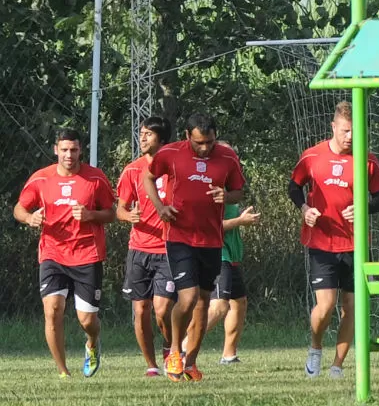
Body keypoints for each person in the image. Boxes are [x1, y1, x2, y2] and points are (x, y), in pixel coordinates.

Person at [289, 101, 379, 379]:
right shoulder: (312, 156)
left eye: (354, 132)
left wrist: (364, 208)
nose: (350, 137)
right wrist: (305, 209)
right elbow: (294, 187)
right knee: (325, 306)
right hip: (321, 242)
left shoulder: (367, 160)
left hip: (355, 245)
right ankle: (315, 347)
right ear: (333, 127)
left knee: (351, 307)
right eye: (345, 131)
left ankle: (337, 365)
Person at [144, 113, 245, 382]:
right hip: (179, 237)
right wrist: (160, 207)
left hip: (212, 240)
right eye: (199, 142)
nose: (205, 148)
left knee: (202, 303)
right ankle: (174, 352)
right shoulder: (171, 153)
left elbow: (238, 191)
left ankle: (191, 363)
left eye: (209, 142)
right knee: (186, 299)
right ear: (187, 136)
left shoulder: (227, 157)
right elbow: (148, 178)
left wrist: (227, 195)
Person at [13, 128, 115, 378]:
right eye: (65, 150)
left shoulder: (95, 179)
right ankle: (63, 373)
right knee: (53, 310)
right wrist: (29, 218)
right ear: (55, 150)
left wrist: (91, 215)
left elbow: (112, 213)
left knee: (87, 320)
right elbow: (19, 208)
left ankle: (92, 344)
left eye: (74, 150)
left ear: (81, 150)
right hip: (52, 254)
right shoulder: (41, 179)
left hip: (87, 254)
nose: (69, 155)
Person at [117, 116, 175, 377]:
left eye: (149, 134)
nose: (142, 138)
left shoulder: (176, 169)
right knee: (140, 310)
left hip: (168, 249)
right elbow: (120, 208)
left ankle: (169, 347)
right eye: (141, 133)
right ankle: (151, 365)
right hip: (139, 249)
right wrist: (128, 216)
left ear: (162, 140)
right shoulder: (132, 170)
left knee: (162, 310)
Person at [206, 141, 261, 365]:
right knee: (219, 306)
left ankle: (229, 355)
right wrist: (240, 221)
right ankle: (183, 347)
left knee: (239, 303)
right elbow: (211, 226)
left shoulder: (231, 188)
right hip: (217, 254)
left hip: (232, 254)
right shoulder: (208, 186)